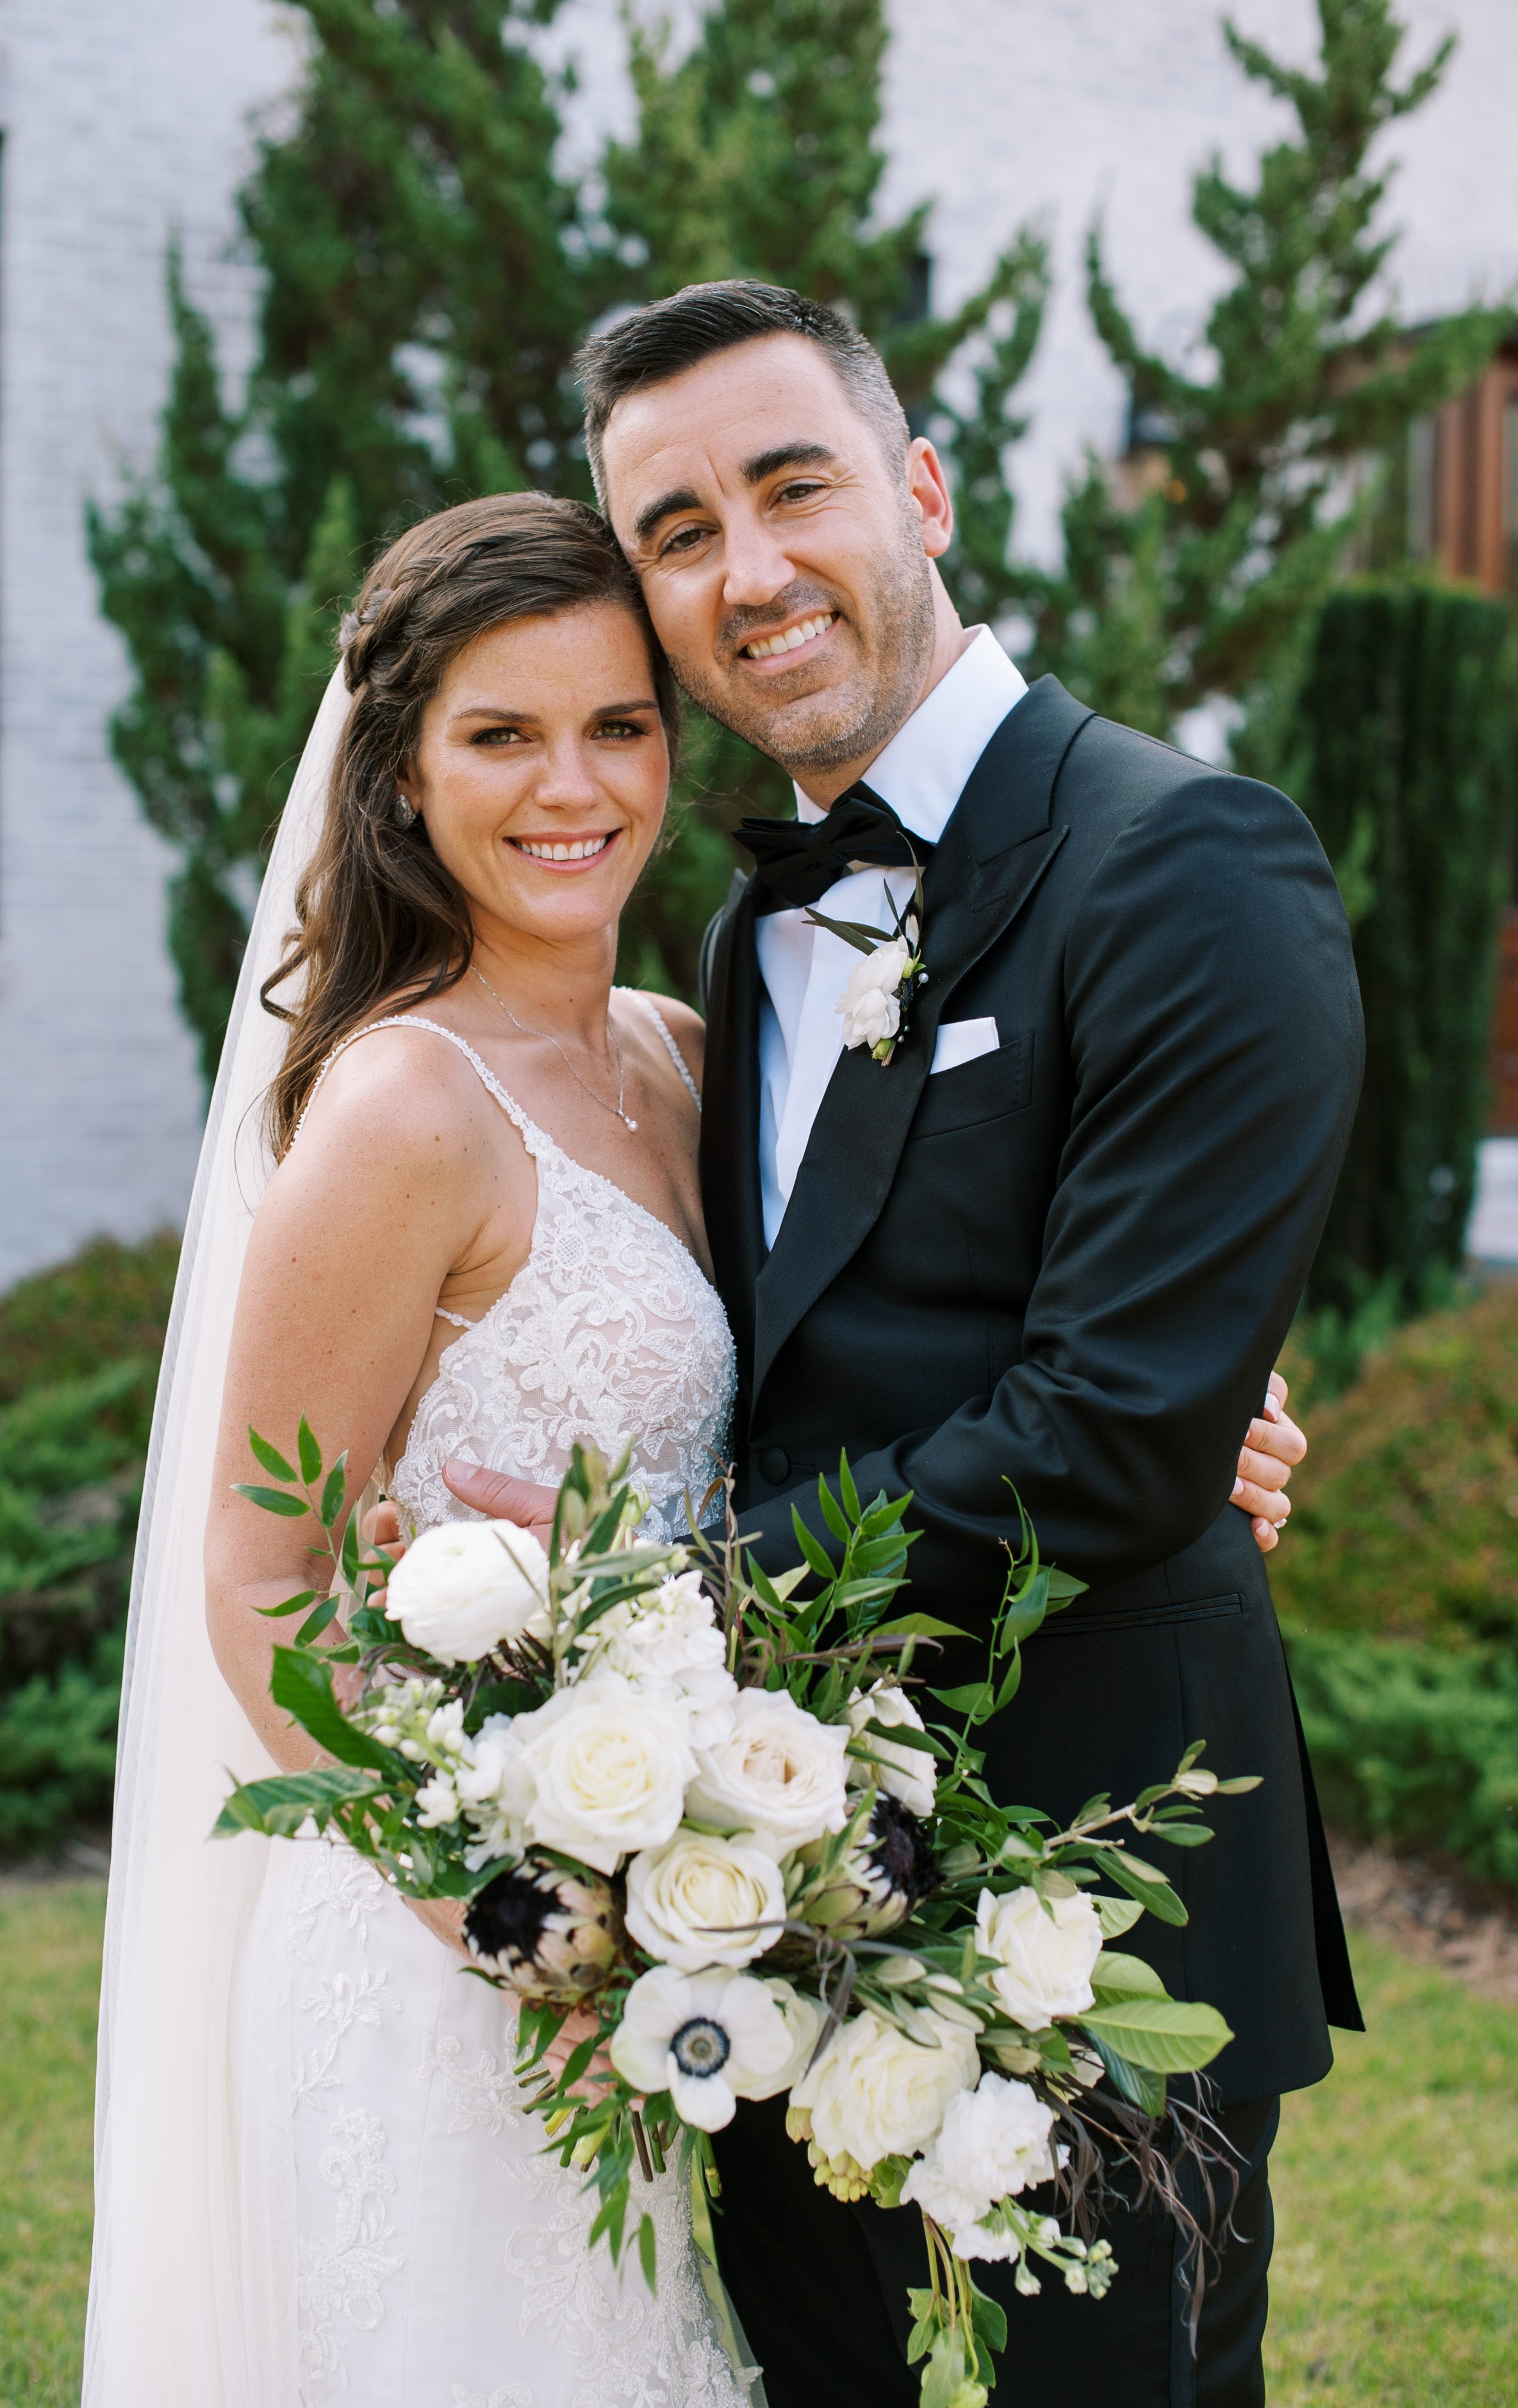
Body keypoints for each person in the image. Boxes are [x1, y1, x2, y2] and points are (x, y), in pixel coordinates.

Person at [435, 280, 1363, 2408]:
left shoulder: (1184, 861)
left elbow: (1116, 1427)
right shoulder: (744, 924)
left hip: (1090, 1890)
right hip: (752, 1885)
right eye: (678, 533)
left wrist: (646, 1617)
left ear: (921, 492)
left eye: (795, 489)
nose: (749, 570)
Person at [85, 494, 754, 2407]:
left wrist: (1204, 1409)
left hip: (664, 1910)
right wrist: (510, 1921)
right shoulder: (405, 1110)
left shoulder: (682, 1055)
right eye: (501, 735)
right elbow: (259, 1578)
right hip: (445, 1949)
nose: (574, 786)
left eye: (618, 725)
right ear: (398, 777)